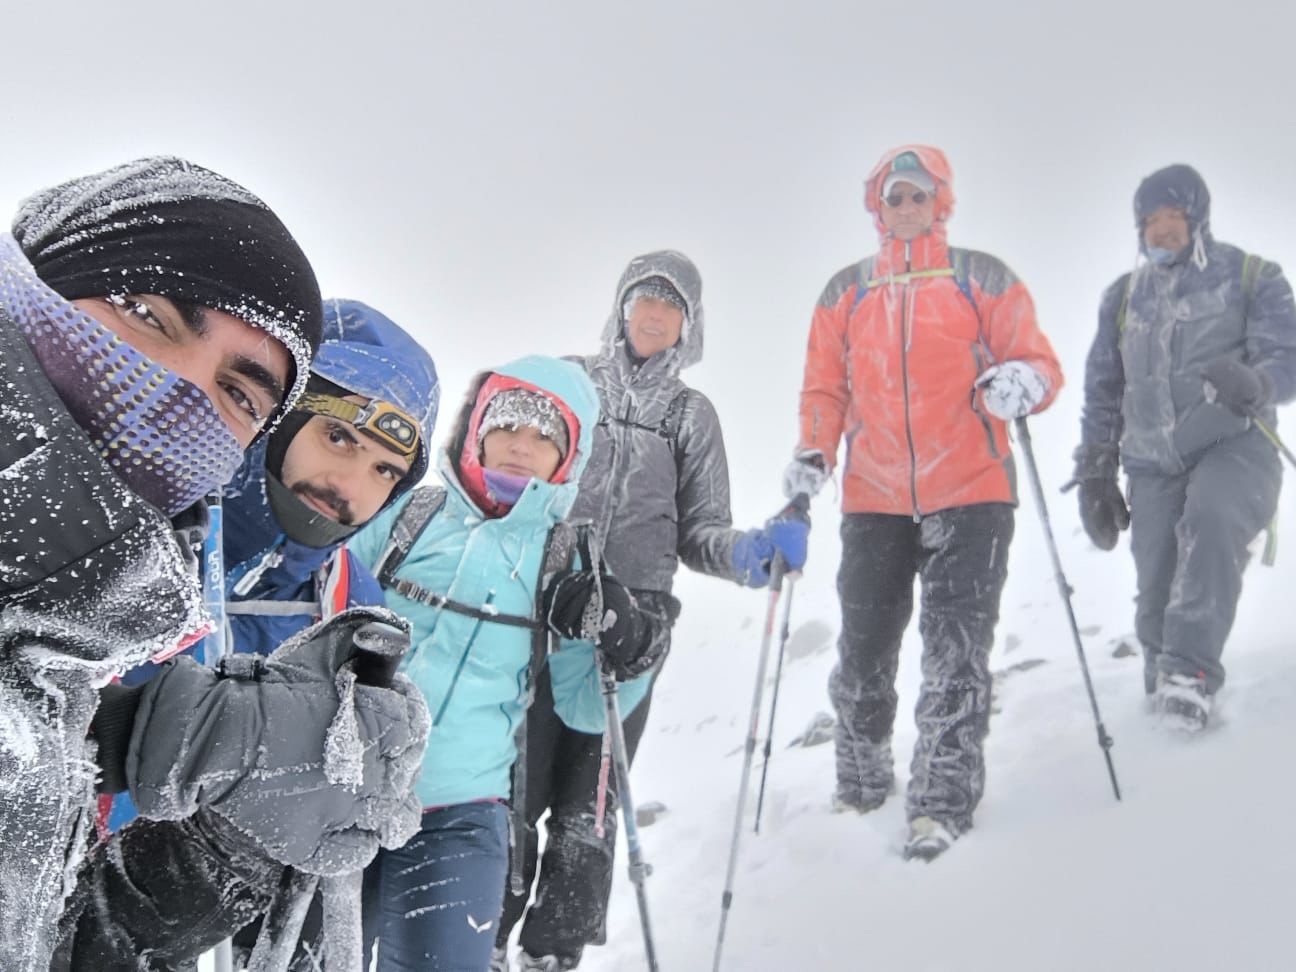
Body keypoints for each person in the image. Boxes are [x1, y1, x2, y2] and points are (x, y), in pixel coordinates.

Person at [0, 155, 325, 971]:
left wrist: (219, 850)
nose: (175, 386)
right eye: (145, 312)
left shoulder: (57, 657)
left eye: (240, 395)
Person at [60, 298, 440, 968]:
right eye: (339, 437)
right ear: (280, 418)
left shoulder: (348, 606)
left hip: (173, 924)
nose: (350, 484)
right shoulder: (140, 519)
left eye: (385, 470)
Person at [494, 250, 808, 972]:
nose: (655, 315)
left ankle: (555, 951)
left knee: (589, 802)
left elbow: (701, 529)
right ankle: (484, 936)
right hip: (540, 615)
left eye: (671, 307)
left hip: (631, 631)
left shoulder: (691, 416)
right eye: (644, 301)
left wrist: (747, 552)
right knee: (511, 786)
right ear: (621, 309)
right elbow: (516, 472)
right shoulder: (574, 383)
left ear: (688, 327)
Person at [784, 145, 1062, 862]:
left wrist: (1019, 385)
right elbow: (824, 389)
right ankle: (861, 779)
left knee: (954, 653)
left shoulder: (981, 277)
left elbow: (1038, 362)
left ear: (941, 201)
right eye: (892, 197)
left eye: (917, 195)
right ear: (875, 207)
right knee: (865, 649)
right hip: (874, 498)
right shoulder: (845, 292)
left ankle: (941, 801)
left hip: (972, 492)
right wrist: (816, 449)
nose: (905, 208)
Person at [350, 355, 648, 971]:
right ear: (476, 432)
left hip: (461, 813)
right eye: (508, 425)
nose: (522, 445)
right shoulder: (409, 514)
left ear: (569, 457)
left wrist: (630, 640)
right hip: (341, 785)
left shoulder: (567, 559)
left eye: (545, 435)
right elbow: (321, 606)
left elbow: (587, 707)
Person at [1071, 163, 1296, 731]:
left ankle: (1189, 678)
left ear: (1197, 218)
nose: (1160, 229)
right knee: (1156, 588)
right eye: (1149, 219)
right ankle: (1163, 685)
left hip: (1236, 443)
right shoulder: (1124, 297)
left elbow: (1286, 354)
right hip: (1151, 463)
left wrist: (1259, 382)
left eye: (1173, 216)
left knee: (1212, 519)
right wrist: (1096, 470)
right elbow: (1103, 386)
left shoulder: (1251, 276)